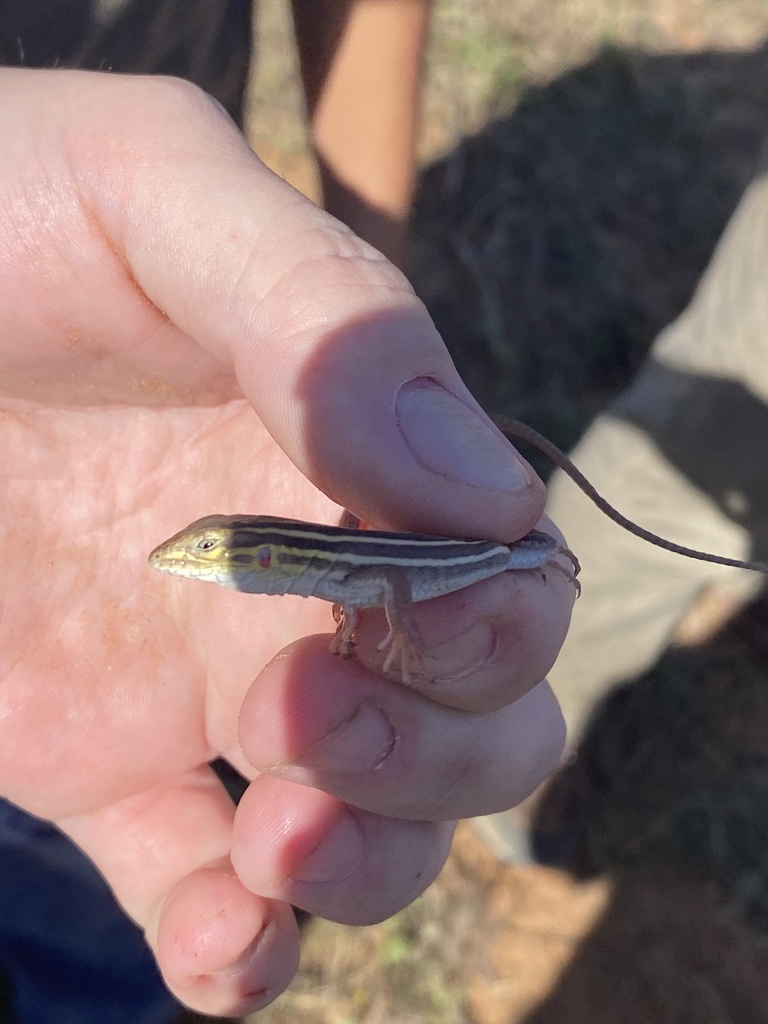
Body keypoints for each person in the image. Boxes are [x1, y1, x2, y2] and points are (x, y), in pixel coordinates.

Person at [0, 41, 573, 1024]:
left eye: (217, 555)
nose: (200, 565)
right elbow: (372, 591)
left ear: (264, 560)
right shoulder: (326, 569)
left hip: (483, 558)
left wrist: (350, 320)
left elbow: (387, 587)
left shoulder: (335, 567)